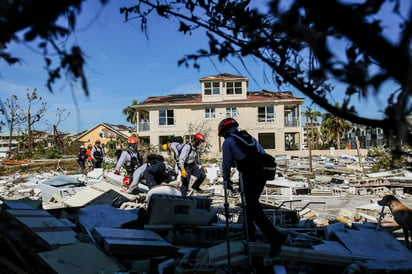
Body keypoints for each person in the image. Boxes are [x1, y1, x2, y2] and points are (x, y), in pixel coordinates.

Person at [218, 117, 287, 257]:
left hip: (248, 173)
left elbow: (226, 164)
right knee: (250, 205)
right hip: (262, 173)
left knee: (251, 206)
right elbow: (262, 153)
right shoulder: (249, 138)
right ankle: (250, 235)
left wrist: (226, 179)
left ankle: (275, 238)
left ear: (224, 131)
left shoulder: (228, 141)